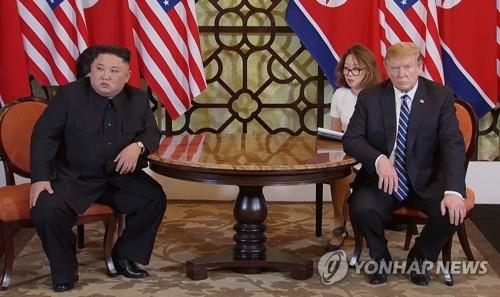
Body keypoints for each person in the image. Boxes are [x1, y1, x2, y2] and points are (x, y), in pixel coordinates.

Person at [29, 45, 167, 292]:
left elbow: (152, 132)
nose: (106, 76)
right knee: (45, 208)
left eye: (114, 71)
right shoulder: (68, 96)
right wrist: (39, 178)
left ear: (126, 76)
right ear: (90, 71)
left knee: (153, 198)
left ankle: (124, 256)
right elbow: (43, 137)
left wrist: (138, 146)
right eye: (100, 69)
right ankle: (64, 270)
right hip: (75, 177)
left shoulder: (137, 99)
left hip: (118, 177)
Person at [343, 42, 466, 285]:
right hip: (385, 180)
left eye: (408, 67)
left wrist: (453, 190)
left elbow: (453, 145)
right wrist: (378, 160)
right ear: (387, 68)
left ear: (419, 66)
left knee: (451, 212)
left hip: (427, 179)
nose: (402, 74)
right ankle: (381, 258)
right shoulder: (371, 97)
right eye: (395, 68)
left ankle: (419, 258)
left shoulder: (440, 96)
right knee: (361, 207)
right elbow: (351, 139)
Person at [326, 44, 379, 251]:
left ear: (368, 70)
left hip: (374, 159)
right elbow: (335, 137)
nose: (350, 74)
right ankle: (339, 224)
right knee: (337, 172)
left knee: (345, 173)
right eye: (346, 69)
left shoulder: (379, 96)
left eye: (356, 69)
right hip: (348, 157)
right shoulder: (340, 95)